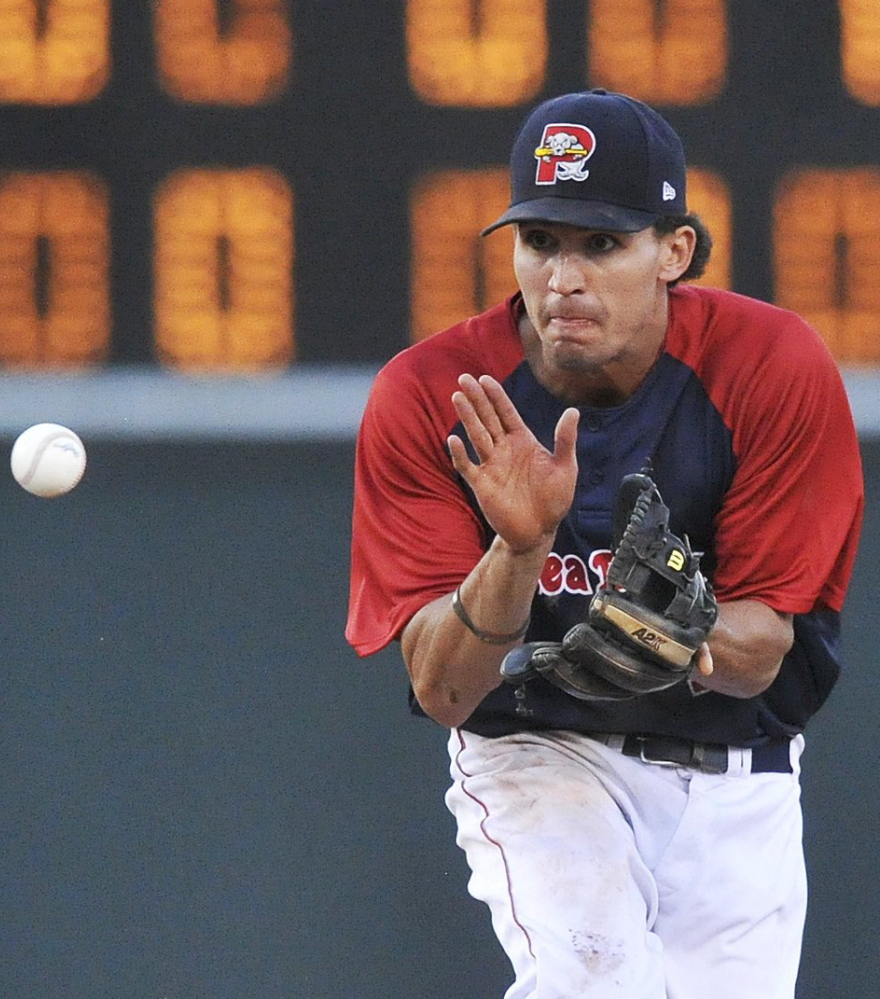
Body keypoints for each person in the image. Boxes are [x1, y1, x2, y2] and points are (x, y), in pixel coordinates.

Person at [345, 89, 864, 998]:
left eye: (602, 243)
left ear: (674, 252)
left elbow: (762, 650)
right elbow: (443, 687)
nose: (562, 276)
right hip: (539, 748)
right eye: (540, 240)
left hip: (737, 778)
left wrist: (682, 639)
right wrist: (518, 549)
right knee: (597, 981)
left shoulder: (769, 365)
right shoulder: (434, 396)